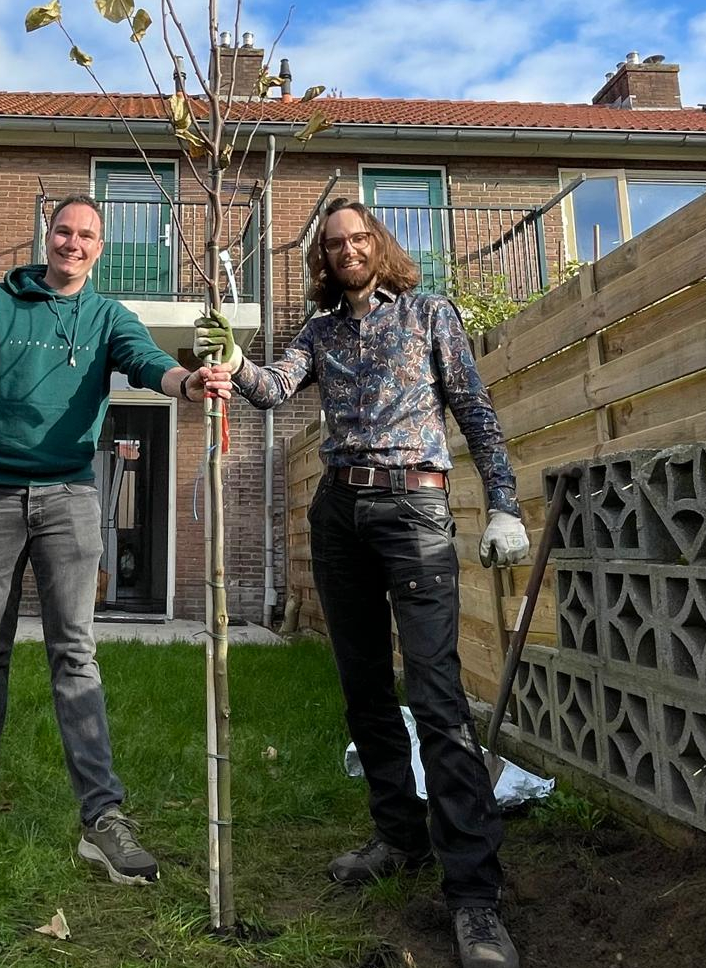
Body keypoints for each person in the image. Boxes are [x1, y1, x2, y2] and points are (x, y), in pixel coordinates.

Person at [194, 199, 530, 967]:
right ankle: (399, 835)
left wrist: (505, 505)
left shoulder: (428, 313)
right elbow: (274, 389)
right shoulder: (318, 331)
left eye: (357, 238)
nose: (347, 251)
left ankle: (474, 896)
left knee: (436, 697)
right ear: (324, 258)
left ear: (377, 246)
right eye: (334, 244)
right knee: (364, 689)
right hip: (337, 511)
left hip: (413, 506)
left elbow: (474, 410)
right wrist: (232, 357)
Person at [0, 194, 231, 886]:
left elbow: (147, 361)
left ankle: (101, 816)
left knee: (75, 654)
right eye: (63, 231)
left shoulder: (105, 316)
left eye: (86, 236)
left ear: (100, 248)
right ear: (47, 235)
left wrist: (187, 382)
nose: (73, 243)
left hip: (68, 496)